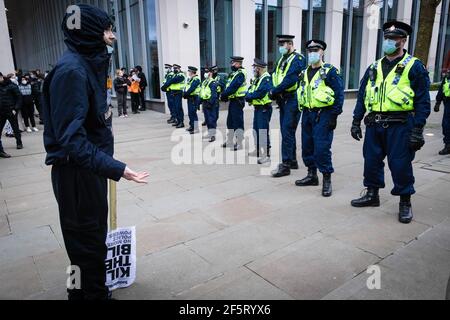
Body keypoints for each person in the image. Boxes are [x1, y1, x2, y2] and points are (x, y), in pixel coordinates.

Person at [42, 4, 149, 300]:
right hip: (77, 174)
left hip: (88, 170)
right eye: (107, 29)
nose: (112, 36)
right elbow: (72, 141)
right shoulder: (72, 71)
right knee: (86, 244)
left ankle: (86, 292)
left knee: (88, 242)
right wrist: (117, 168)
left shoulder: (82, 65)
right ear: (88, 31)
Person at [350, 21, 431, 224]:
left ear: (403, 41)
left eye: (394, 39)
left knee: (400, 164)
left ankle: (405, 202)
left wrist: (418, 129)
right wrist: (356, 120)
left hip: (400, 125)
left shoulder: (414, 66)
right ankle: (372, 194)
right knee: (371, 161)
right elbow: (362, 95)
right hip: (374, 124)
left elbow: (422, 101)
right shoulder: (374, 67)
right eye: (387, 38)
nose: (389, 42)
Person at [295, 40, 344, 197]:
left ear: (322, 52)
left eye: (315, 50)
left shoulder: (330, 71)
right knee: (307, 146)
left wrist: (334, 116)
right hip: (307, 114)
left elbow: (339, 94)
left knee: (322, 148)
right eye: (309, 50)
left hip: (323, 114)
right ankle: (311, 175)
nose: (312, 53)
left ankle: (326, 179)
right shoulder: (303, 73)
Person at [269, 35, 307, 177]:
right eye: (279, 44)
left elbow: (291, 79)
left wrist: (275, 90)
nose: (280, 47)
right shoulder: (281, 59)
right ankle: (292, 160)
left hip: (293, 99)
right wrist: (273, 89)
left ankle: (285, 165)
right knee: (288, 131)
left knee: (287, 130)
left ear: (290, 44)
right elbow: (274, 75)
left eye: (283, 44)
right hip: (283, 99)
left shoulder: (298, 59)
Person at [245, 58, 273, 164]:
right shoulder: (258, 78)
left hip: (264, 108)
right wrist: (249, 95)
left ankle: (266, 154)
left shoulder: (266, 79)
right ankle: (257, 150)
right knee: (256, 130)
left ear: (259, 68)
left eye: (254, 67)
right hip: (258, 108)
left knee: (263, 131)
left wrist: (249, 97)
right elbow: (250, 90)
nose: (253, 69)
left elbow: (259, 93)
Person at [221, 56, 247, 151]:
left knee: (238, 122)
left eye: (234, 63)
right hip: (233, 100)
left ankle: (239, 142)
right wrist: (225, 94)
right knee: (230, 122)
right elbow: (228, 85)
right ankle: (230, 141)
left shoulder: (241, 74)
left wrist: (224, 94)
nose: (232, 64)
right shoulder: (234, 73)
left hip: (238, 101)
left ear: (239, 64)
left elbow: (233, 87)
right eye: (232, 63)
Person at [0, 72, 23, 158]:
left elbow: (19, 97)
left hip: (11, 110)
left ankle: (19, 143)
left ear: (1, 77)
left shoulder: (11, 85)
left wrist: (16, 108)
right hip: (1, 112)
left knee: (15, 128)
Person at [162, 64, 186, 128]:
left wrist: (166, 85)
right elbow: (171, 81)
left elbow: (174, 80)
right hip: (173, 92)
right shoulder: (175, 75)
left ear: (179, 68)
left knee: (178, 108)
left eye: (176, 68)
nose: (174, 69)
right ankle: (178, 121)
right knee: (175, 107)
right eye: (174, 68)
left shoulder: (181, 74)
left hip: (178, 92)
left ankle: (181, 122)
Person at [200, 66, 219, 142]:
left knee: (211, 120)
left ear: (210, 73)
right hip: (205, 102)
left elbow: (214, 95)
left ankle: (212, 135)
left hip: (211, 103)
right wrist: (199, 102)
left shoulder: (213, 82)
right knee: (207, 120)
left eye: (207, 72)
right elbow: (202, 92)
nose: (205, 73)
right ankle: (209, 133)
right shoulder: (205, 82)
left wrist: (210, 103)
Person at [434, 70, 450, 155]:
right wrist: (438, 102)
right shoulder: (447, 76)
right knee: (446, 125)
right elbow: (441, 89)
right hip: (448, 103)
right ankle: (448, 145)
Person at [183, 66, 201, 134]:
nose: (188, 72)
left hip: (194, 98)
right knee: (190, 113)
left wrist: (185, 94)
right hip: (190, 98)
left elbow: (192, 88)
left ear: (192, 72)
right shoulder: (190, 79)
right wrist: (184, 93)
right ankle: (192, 126)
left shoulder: (196, 79)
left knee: (193, 113)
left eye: (189, 71)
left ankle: (196, 129)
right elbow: (187, 87)